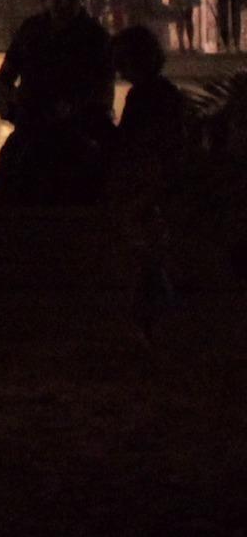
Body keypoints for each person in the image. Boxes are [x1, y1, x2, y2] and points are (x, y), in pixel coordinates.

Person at [0, 0, 114, 204]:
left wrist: (76, 109)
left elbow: (104, 89)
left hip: (75, 136)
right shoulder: (31, 29)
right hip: (31, 129)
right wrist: (9, 107)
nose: (62, 2)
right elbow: (4, 77)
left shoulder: (94, 36)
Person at [107, 26, 190, 344]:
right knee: (147, 253)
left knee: (143, 253)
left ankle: (153, 317)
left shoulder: (144, 96)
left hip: (149, 182)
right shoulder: (166, 93)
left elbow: (132, 141)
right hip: (158, 182)